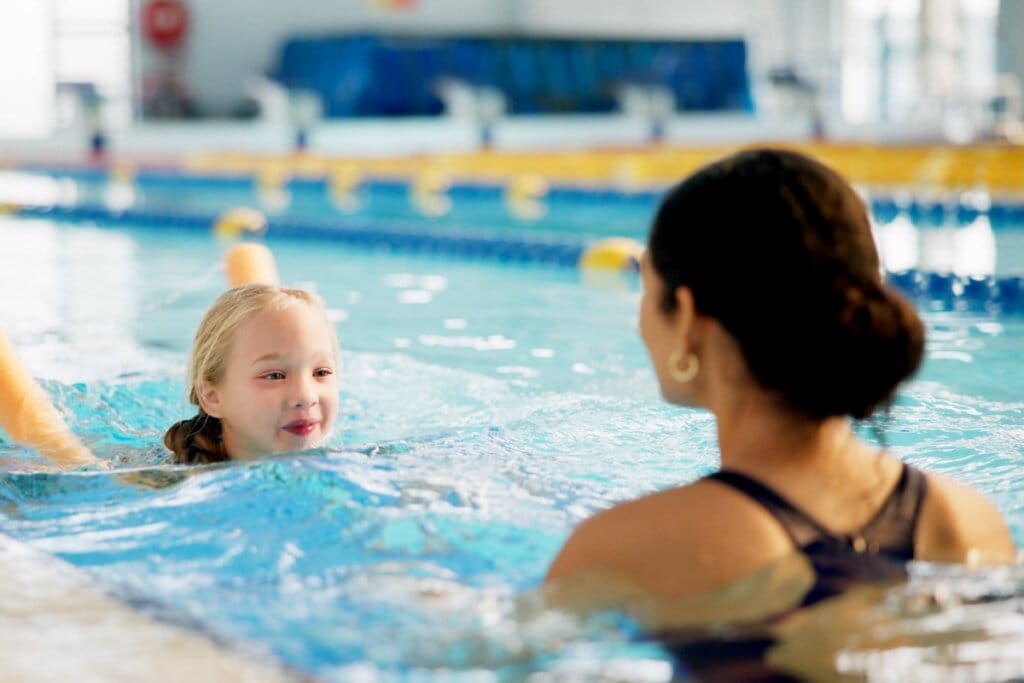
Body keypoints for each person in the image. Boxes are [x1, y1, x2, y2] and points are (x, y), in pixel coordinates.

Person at [545, 149, 1015, 618]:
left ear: (687, 317)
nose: (640, 322)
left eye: (646, 290)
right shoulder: (966, 521)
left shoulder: (628, 549)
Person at [164, 284, 340, 464]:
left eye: (321, 372)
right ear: (212, 397)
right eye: (274, 376)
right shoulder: (170, 487)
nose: (306, 397)